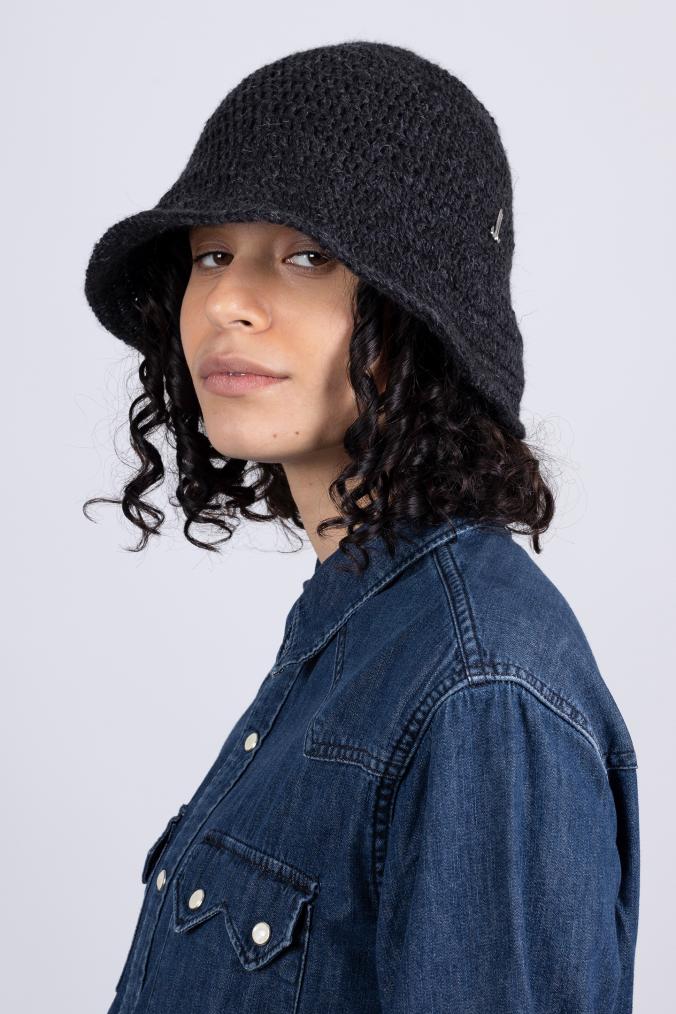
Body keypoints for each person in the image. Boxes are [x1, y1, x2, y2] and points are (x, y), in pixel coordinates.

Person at [83, 40, 640, 1014]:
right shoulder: (361, 623)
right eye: (211, 254)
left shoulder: (478, 690)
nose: (227, 302)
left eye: (307, 256)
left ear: (417, 315)